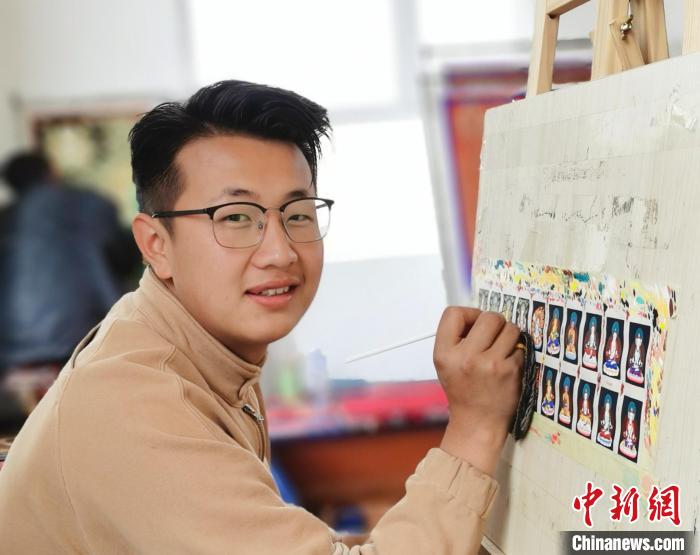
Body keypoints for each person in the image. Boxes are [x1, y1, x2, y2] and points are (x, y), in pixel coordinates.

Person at [0, 80, 524, 554]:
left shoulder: (200, 347)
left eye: (298, 214)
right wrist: (475, 425)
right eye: (235, 217)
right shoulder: (134, 401)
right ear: (155, 244)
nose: (280, 251)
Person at [0, 151, 138, 414]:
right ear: (51, 173)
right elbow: (127, 259)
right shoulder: (91, 205)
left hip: (10, 363)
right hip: (85, 344)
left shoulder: (6, 220)